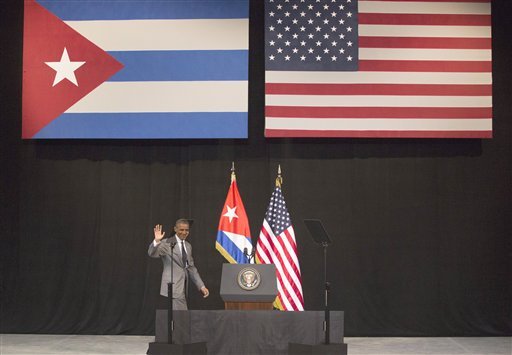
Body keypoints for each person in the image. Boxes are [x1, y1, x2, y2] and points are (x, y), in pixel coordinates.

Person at [148, 219, 209, 310]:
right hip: (172, 286)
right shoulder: (167, 243)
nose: (184, 232)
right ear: (175, 229)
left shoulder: (188, 246)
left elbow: (191, 267)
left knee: (178, 317)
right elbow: (152, 253)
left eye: (186, 230)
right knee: (181, 316)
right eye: (181, 230)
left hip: (184, 285)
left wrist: (201, 286)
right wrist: (156, 242)